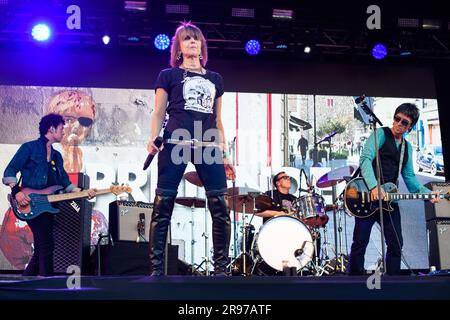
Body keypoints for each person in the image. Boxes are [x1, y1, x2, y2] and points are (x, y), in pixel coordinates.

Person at [146, 22, 235, 276]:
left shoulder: (215, 79)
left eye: (196, 39)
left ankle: (221, 269)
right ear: (179, 47)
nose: (192, 42)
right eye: (187, 39)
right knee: (163, 206)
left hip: (208, 144)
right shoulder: (168, 75)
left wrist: (226, 153)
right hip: (176, 141)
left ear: (202, 46)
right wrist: (153, 137)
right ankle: (156, 270)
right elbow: (158, 111)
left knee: (220, 206)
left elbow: (217, 120)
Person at [348, 103, 440, 276]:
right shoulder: (381, 134)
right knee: (360, 242)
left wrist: (428, 195)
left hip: (389, 200)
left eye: (404, 122)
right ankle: (354, 280)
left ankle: (393, 281)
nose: (398, 123)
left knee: (396, 244)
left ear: (410, 127)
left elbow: (410, 179)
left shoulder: (407, 148)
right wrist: (374, 186)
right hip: (368, 196)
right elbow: (365, 159)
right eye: (397, 119)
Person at [2, 113, 96, 277]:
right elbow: (9, 171)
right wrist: (17, 192)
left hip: (49, 206)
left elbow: (66, 183)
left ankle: (27, 279)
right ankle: (47, 281)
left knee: (42, 244)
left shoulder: (56, 156)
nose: (64, 133)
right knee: (46, 243)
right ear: (51, 129)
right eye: (61, 129)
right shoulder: (29, 148)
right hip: (31, 202)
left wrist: (83, 193)